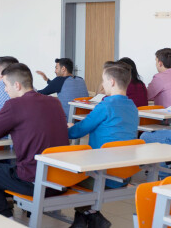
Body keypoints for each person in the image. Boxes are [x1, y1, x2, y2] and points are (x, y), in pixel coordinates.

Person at [0, 63, 68, 218]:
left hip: (34, 181)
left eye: (5, 85)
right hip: (62, 179)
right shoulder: (54, 102)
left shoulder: (14, 105)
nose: (4, 89)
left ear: (16, 85)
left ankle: (6, 217)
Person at [68, 61, 139, 227]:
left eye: (103, 80)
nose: (102, 84)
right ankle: (85, 219)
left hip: (101, 176)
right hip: (124, 174)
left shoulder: (105, 106)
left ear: (112, 82)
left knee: (68, 176)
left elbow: (78, 132)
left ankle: (91, 214)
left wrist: (67, 128)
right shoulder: (133, 107)